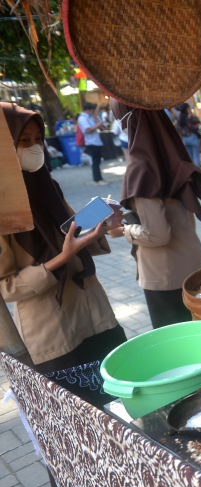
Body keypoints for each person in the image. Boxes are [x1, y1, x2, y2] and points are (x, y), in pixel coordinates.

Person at [0, 103, 127, 374]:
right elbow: (5, 287)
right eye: (24, 140)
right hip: (53, 329)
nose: (34, 148)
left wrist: (101, 221)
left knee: (120, 387)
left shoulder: (47, 184)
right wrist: (61, 259)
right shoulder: (3, 209)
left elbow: (71, 231)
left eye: (38, 139)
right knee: (79, 409)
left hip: (94, 310)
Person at [106, 100, 201, 329]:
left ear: (128, 119)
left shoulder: (141, 166)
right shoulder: (170, 151)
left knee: (179, 347)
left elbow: (157, 234)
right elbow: (167, 212)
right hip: (191, 263)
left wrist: (123, 230)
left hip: (165, 277)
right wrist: (131, 215)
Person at [78, 102, 106, 185]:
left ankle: (99, 179)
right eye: (93, 110)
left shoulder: (89, 117)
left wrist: (96, 116)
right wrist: (98, 125)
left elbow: (101, 126)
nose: (93, 112)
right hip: (91, 142)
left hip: (96, 142)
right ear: (88, 109)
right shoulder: (82, 118)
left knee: (97, 162)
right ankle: (97, 180)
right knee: (95, 162)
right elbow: (88, 130)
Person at [176, 103, 201, 168]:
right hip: (192, 137)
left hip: (185, 139)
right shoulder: (190, 117)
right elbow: (197, 124)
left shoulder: (179, 119)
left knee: (189, 158)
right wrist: (192, 113)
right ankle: (199, 173)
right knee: (196, 157)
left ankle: (192, 174)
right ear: (187, 109)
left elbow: (178, 129)